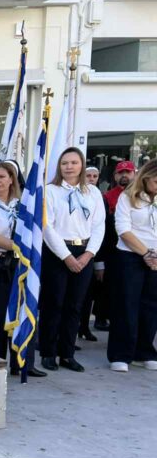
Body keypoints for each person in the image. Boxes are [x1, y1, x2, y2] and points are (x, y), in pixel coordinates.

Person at [0, 162, 45, 377]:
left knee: (23, 310)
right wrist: (19, 247)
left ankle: (22, 363)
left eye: (2, 177)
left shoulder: (22, 204)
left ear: (11, 179)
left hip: (20, 264)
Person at [39, 147, 106, 372]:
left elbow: (98, 225)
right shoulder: (50, 191)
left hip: (84, 252)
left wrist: (89, 254)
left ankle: (67, 353)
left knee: (75, 306)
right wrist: (66, 256)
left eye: (74, 162)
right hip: (57, 251)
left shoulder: (93, 192)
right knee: (53, 304)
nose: (69, 167)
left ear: (82, 165)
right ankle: (48, 352)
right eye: (64, 163)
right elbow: (47, 227)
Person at [107, 161, 157, 372]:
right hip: (130, 256)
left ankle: (144, 352)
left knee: (151, 306)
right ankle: (120, 354)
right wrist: (146, 253)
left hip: (155, 258)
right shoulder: (127, 198)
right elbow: (123, 230)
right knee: (126, 305)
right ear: (146, 177)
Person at [79, 165, 106, 341]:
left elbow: (101, 230)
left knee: (87, 295)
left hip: (91, 252)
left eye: (95, 176)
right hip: (71, 249)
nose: (91, 179)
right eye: (88, 175)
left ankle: (83, 327)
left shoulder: (98, 196)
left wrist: (97, 261)